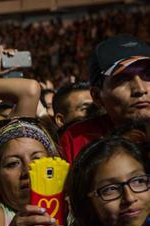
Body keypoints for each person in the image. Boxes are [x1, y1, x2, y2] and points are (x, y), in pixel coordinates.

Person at [59, 34, 150, 164]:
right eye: (122, 79)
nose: (140, 89)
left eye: (148, 75)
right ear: (97, 96)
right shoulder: (77, 140)